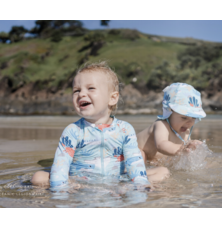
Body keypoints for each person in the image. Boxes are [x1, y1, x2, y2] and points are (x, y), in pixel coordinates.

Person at [31, 61, 167, 189]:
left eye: (90, 88)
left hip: (116, 180)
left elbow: (133, 160)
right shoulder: (73, 130)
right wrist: (61, 188)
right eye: (76, 91)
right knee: (38, 177)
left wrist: (139, 184)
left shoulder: (124, 129)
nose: (81, 94)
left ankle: (126, 188)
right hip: (79, 182)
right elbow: (61, 163)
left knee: (162, 171)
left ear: (112, 98)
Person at [138, 83, 206, 163]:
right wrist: (181, 149)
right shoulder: (161, 125)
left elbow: (186, 153)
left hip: (152, 160)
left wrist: (191, 148)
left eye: (194, 118)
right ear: (170, 111)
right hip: (131, 151)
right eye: (184, 117)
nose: (189, 122)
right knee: (140, 155)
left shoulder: (186, 132)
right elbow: (161, 144)